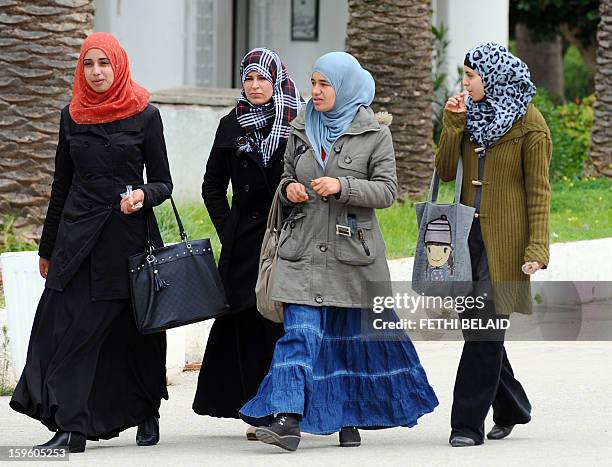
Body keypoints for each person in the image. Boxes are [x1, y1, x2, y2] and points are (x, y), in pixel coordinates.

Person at [239, 52, 438, 452]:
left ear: (344, 86)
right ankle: (287, 420)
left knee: (348, 342)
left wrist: (343, 187)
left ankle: (347, 418)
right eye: (312, 83)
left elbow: (387, 191)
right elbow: (287, 178)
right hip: (301, 251)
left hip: (353, 255)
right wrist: (289, 190)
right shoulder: (301, 127)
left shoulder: (374, 132)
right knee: (300, 334)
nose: (315, 92)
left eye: (324, 84)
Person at [10, 32, 172, 453]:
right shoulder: (72, 115)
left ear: (118, 66)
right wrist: (47, 248)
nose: (96, 72)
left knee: (134, 333)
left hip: (127, 241)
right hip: (77, 240)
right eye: (88, 64)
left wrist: (143, 194)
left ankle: (146, 410)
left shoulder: (145, 115)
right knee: (65, 329)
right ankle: (72, 427)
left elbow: (164, 182)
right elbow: (61, 185)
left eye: (104, 63)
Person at [436, 42, 552, 447]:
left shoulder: (530, 124)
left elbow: (539, 191)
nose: (464, 83)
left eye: (470, 75)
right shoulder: (468, 118)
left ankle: (466, 424)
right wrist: (452, 123)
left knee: (484, 327)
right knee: (478, 329)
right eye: (464, 75)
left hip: (507, 243)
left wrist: (538, 248)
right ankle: (513, 405)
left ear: (494, 77)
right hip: (466, 238)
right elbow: (447, 171)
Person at [192, 48, 302, 439]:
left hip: (288, 238)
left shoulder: (299, 122)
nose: (255, 86)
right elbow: (211, 187)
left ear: (277, 81)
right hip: (243, 245)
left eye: (262, 79)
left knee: (281, 325)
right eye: (249, 79)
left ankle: (285, 408)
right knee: (246, 325)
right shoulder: (230, 124)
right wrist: (229, 229)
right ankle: (257, 409)